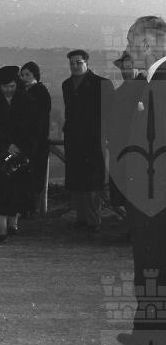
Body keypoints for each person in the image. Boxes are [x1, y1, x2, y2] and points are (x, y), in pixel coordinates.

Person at [114, 16, 166, 345]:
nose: (128, 48)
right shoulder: (152, 81)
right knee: (148, 269)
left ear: (147, 45)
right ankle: (146, 334)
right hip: (150, 198)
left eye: (131, 42)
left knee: (155, 272)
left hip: (156, 201)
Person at [0, 66, 36, 243]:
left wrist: (20, 146)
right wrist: (6, 145)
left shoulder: (27, 100)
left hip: (20, 154)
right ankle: (1, 229)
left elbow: (33, 126)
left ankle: (13, 223)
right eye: (5, 86)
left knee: (17, 190)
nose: (9, 90)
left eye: (12, 86)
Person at [61, 49, 114, 233]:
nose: (75, 66)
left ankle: (93, 220)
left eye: (79, 62)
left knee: (92, 181)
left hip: (93, 139)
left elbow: (109, 113)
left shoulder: (102, 83)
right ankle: (81, 218)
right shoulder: (66, 85)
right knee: (77, 181)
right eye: (72, 63)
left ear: (87, 63)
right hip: (73, 139)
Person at [108, 52, 146, 211]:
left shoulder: (146, 88)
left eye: (130, 68)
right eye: (124, 68)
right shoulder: (120, 91)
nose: (126, 72)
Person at [19, 61, 51, 217]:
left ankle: (32, 209)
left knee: (34, 175)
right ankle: (25, 208)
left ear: (35, 75)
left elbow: (40, 119)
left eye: (28, 74)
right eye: (22, 75)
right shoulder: (23, 90)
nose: (24, 77)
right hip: (25, 140)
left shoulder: (40, 91)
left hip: (36, 141)